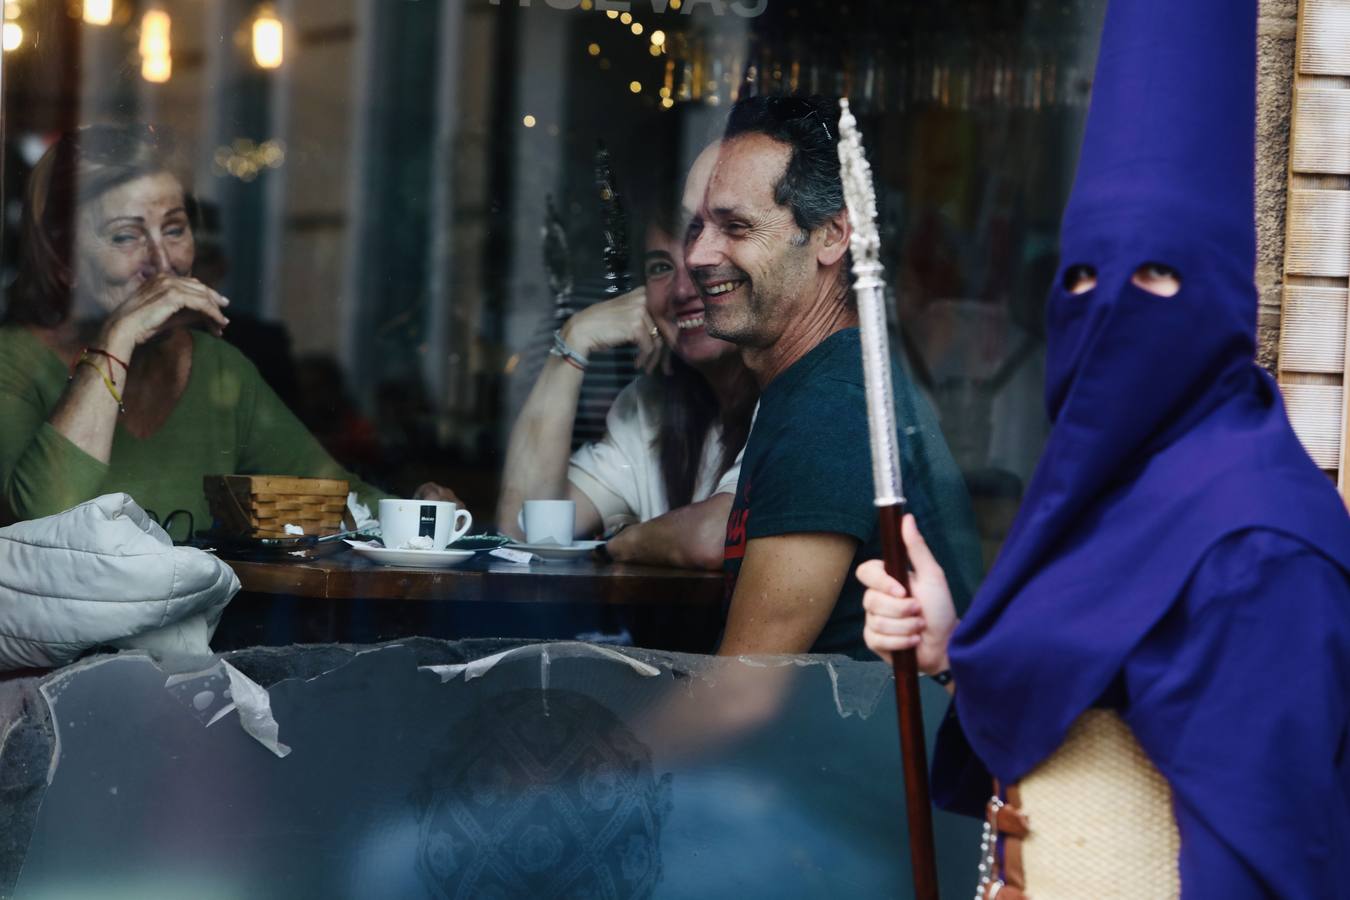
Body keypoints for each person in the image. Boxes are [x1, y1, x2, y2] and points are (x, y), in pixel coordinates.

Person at [858, 1, 1350, 895]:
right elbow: (1097, 711)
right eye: (1081, 278)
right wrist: (950, 649)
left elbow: (1265, 870)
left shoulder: (1259, 543)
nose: (1110, 306)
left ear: (1217, 294)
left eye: (1157, 276)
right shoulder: (1125, 482)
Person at [0, 124, 457, 537]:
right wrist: (116, 339)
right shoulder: (12, 364)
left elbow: (336, 498)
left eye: (174, 230)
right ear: (63, 261)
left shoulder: (218, 371)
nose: (163, 264)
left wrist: (419, 514)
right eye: (125, 236)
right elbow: (43, 520)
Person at [683, 96, 984, 658]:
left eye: (736, 226)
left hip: (854, 747)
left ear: (830, 236)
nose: (698, 255)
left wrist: (628, 749)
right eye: (696, 226)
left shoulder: (830, 406)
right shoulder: (820, 382)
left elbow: (742, 694)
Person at [497, 193, 757, 571]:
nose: (682, 291)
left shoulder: (785, 395)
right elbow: (523, 531)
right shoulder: (647, 410)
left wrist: (620, 543)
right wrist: (574, 338)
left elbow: (712, 536)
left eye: (700, 262)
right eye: (660, 268)